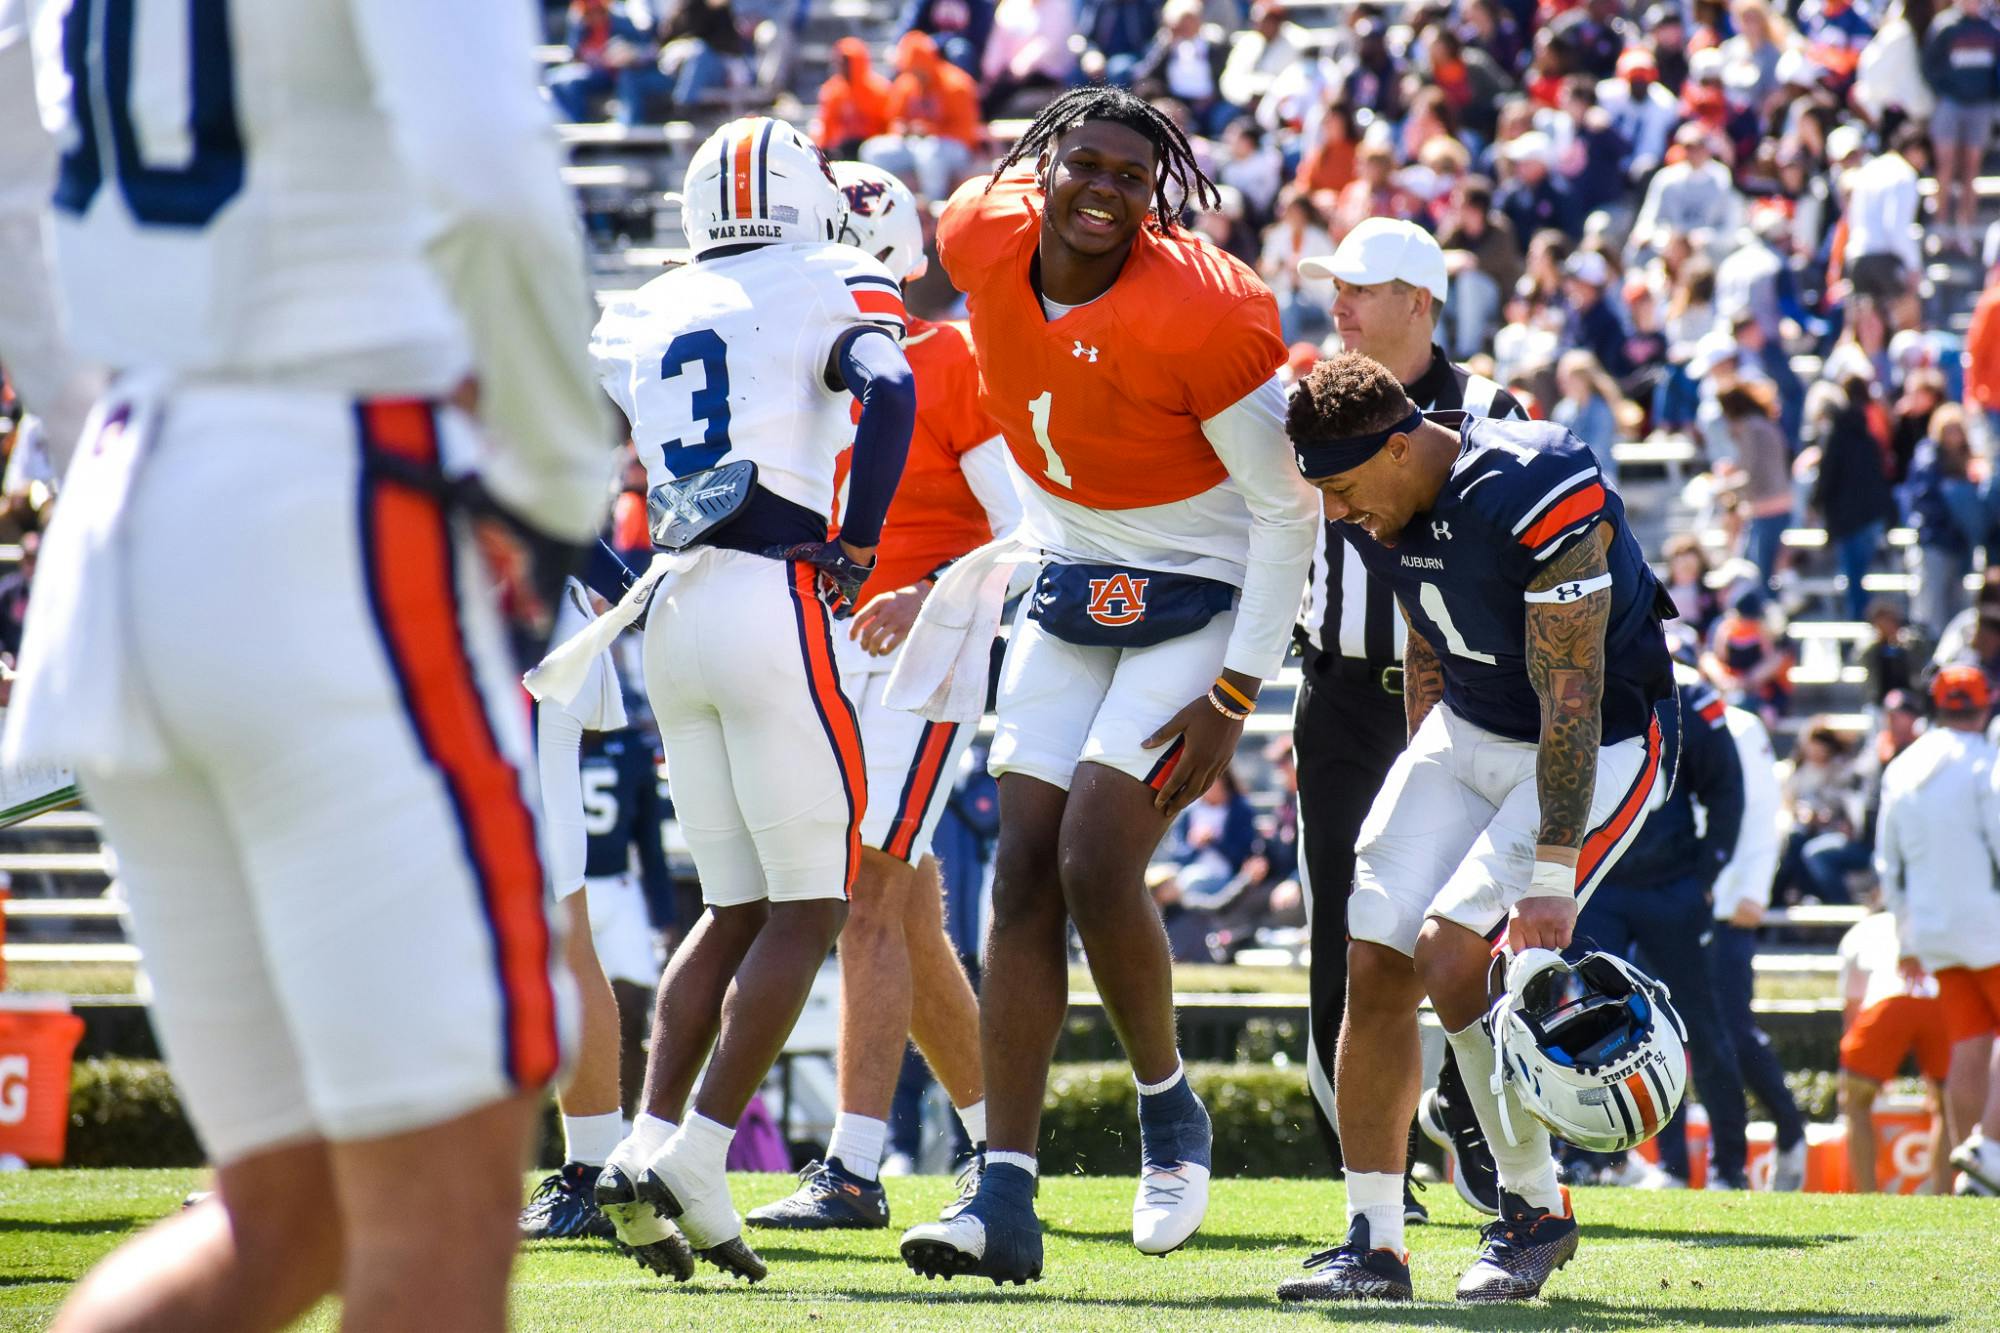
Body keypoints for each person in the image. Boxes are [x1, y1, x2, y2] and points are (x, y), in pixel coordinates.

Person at [7, 0, 613, 1326]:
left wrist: (117, 422)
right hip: (337, 504)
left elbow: (18, 197)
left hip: (127, 501)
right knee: (439, 1222)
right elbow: (489, 167)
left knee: (285, 1221)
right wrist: (562, 482)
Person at [893, 86, 1317, 1283]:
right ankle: (1004, 1192)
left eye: (1133, 177)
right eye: (1084, 164)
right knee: (1021, 862)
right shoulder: (983, 230)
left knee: (1091, 856)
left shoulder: (1200, 309)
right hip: (1069, 570)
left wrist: (1235, 694)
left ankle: (1168, 1106)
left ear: (1158, 194)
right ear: (1044, 165)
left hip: (1198, 579)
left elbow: (1286, 515)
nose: (1104, 191)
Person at [575, 116, 916, 1282]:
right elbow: (892, 390)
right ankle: (701, 1151)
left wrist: (613, 577)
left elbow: (554, 459)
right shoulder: (828, 273)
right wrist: (859, 543)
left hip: (668, 612)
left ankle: (646, 1140)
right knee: (808, 905)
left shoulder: (646, 304)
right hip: (772, 597)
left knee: (727, 906)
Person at [1280, 352, 1676, 1304]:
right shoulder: (1383, 496)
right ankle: (1374, 1243)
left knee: (1451, 954)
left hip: (1599, 740)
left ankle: (1535, 1211)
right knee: (1373, 956)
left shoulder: (1533, 483)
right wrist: (1428, 754)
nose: (1335, 512)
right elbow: (1429, 618)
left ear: (1402, 444)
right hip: (1468, 731)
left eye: (1341, 488)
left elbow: (1572, 694)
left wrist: (1551, 870)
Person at [747, 163, 1016, 1231]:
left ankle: (852, 1169)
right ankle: (1006, 1143)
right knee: (901, 902)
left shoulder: (950, 360)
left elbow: (1028, 524)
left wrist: (924, 594)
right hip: (827, 645)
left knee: (868, 884)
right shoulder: (802, 362)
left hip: (926, 647)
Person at [1291, 217, 1526, 1226]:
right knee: (1340, 922)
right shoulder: (1302, 398)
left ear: (1420, 302)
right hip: (1342, 691)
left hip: (1469, 698)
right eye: (1332, 284)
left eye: (1362, 286)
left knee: (1471, 924)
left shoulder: (1489, 409)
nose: (1337, 302)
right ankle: (1370, 1165)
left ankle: (1477, 1124)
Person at [519, 569, 673, 1254]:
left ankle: (593, 1169)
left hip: (517, 640)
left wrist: (638, 587)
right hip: (475, 633)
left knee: (560, 930)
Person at [1561, 662, 1753, 1191]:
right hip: (1601, 883)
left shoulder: (1688, 693)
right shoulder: (1578, 679)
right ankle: (1583, 1156)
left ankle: (1728, 1167)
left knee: (1701, 1025)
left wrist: (1708, 871)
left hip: (1672, 886)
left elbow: (1727, 788)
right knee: (1583, 1021)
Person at [1875, 666, 2000, 1195]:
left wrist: (1906, 935)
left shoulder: (1904, 766)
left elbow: (1889, 862)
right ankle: (1988, 1149)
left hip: (1933, 929)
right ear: (1985, 702)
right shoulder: (1987, 762)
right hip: (1989, 922)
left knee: (1969, 1042)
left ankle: (1971, 1170)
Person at [1837, 897, 1950, 1194]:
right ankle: (1944, 1198)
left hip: (1886, 1002)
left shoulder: (1863, 929)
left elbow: (1853, 1006)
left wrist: (1861, 1072)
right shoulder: (1932, 919)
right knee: (1948, 1107)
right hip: (1938, 1001)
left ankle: (1866, 1195)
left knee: (1855, 1101)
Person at [864, 32, 984, 203]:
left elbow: (967, 132)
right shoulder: (906, 83)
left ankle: (934, 204)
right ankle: (886, 202)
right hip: (916, 145)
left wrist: (930, 130)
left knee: (930, 151)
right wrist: (902, 129)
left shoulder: (956, 83)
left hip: (953, 148)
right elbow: (894, 120)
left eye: (919, 69)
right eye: (913, 70)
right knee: (873, 150)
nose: (917, 75)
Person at [1921, 0, 2000, 251]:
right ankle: (1940, 227)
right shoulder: (1945, 26)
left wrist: (1991, 95)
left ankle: (1966, 229)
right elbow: (1930, 65)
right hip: (1951, 104)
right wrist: (1945, 92)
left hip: (1981, 106)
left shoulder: (1991, 29)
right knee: (1945, 165)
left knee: (1971, 167)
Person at [815, 37, 894, 157]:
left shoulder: (879, 89)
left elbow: (889, 126)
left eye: (845, 62)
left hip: (871, 148)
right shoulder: (832, 91)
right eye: (839, 62)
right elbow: (827, 126)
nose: (840, 67)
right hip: (842, 149)